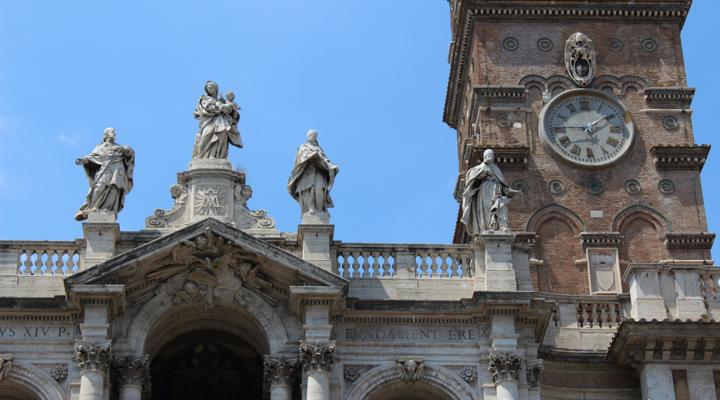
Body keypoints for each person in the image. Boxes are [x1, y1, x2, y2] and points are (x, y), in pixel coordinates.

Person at [75, 128, 135, 221]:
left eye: (114, 132)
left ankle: (108, 210)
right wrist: (83, 160)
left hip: (117, 171)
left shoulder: (119, 147)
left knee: (114, 189)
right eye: (112, 132)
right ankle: (92, 209)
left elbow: (130, 153)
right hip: (104, 170)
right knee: (98, 188)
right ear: (106, 134)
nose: (114, 134)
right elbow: (92, 158)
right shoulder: (100, 147)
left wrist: (124, 149)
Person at [460, 149, 521, 235]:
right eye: (486, 155)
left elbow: (503, 184)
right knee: (487, 209)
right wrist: (484, 172)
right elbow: (471, 177)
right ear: (484, 157)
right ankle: (488, 228)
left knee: (501, 206)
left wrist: (512, 191)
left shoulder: (496, 169)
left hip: (497, 191)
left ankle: (502, 226)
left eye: (490, 155)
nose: (488, 157)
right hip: (485, 191)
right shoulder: (479, 168)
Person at [288, 130, 339, 220]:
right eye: (310, 135)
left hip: (319, 173)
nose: (311, 137)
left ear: (316, 138)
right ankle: (310, 209)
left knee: (319, 190)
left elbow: (325, 160)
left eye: (313, 136)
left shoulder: (319, 148)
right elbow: (301, 158)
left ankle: (319, 210)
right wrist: (312, 155)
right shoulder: (303, 146)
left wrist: (332, 166)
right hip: (306, 173)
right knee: (308, 190)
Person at [191, 81, 242, 159]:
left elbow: (233, 114)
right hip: (208, 121)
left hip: (221, 120)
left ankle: (217, 156)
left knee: (222, 133)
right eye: (208, 87)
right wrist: (220, 108)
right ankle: (200, 156)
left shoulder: (222, 101)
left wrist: (231, 108)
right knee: (205, 135)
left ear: (216, 88)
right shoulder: (204, 98)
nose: (209, 88)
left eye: (211, 87)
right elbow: (207, 107)